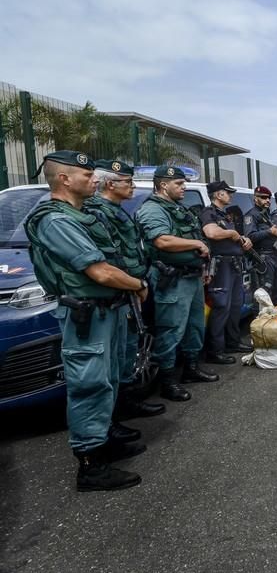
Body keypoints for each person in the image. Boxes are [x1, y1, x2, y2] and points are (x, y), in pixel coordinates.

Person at [25, 152, 148, 491]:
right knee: (89, 384)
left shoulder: (80, 214)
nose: (95, 179)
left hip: (105, 310)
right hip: (86, 314)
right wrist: (139, 285)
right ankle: (90, 464)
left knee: (106, 379)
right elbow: (100, 271)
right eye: (86, 173)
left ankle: (104, 439)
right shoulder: (55, 220)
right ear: (64, 178)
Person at [83, 160, 165, 435]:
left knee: (127, 351)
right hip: (116, 291)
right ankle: (110, 421)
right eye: (127, 182)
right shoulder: (97, 213)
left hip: (128, 292)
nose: (131, 186)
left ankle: (126, 403)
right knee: (111, 361)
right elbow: (108, 259)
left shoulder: (117, 211)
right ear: (110, 184)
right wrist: (134, 283)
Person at [135, 165, 217, 401]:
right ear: (163, 185)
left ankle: (191, 368)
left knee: (195, 326)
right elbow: (162, 241)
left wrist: (202, 267)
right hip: (172, 279)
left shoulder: (177, 208)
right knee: (171, 329)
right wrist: (197, 246)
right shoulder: (152, 209)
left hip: (192, 277)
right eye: (179, 184)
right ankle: (168, 381)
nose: (183, 188)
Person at [200, 180, 253, 365]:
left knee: (235, 305)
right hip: (221, 265)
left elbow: (237, 235)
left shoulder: (227, 215)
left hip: (235, 264)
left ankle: (233, 342)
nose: (230, 195)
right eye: (227, 192)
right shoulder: (209, 212)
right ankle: (215, 350)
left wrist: (245, 241)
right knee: (221, 306)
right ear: (217, 194)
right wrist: (231, 234)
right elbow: (211, 233)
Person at [244, 186, 277, 298]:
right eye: (264, 198)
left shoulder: (266, 214)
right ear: (256, 198)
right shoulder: (251, 215)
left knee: (276, 290)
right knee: (263, 294)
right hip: (262, 257)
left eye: (269, 198)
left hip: (274, 255)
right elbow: (250, 236)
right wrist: (269, 231)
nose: (268, 200)